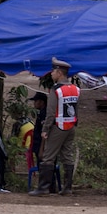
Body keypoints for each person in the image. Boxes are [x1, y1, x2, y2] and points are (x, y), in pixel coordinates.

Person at [29, 57, 80, 196]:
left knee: (48, 157)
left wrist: (45, 129)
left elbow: (51, 113)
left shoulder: (56, 90)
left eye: (53, 71)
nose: (51, 74)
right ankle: (67, 187)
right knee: (67, 156)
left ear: (59, 73)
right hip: (71, 126)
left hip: (58, 126)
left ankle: (43, 187)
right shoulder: (75, 89)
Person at [29, 91, 58, 193]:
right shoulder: (41, 113)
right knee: (46, 166)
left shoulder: (45, 114)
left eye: (36, 101)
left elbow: (44, 133)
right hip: (41, 145)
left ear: (41, 102)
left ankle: (47, 187)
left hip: (44, 146)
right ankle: (48, 187)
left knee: (45, 166)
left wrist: (42, 148)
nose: (34, 104)